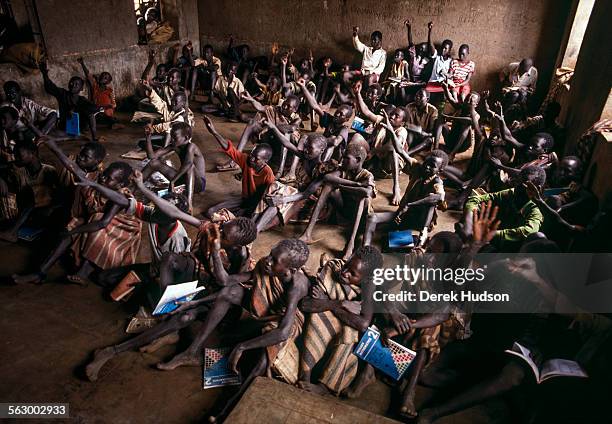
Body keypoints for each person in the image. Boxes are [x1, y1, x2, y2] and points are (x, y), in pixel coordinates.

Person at [12, 138, 106, 284]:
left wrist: (54, 148)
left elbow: (72, 169)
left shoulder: (97, 178)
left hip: (90, 219)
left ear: (97, 161)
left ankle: (40, 273)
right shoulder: (86, 171)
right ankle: (41, 269)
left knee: (65, 234)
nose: (80, 157)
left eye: (86, 156)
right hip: (76, 215)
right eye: (81, 153)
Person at [298, 246, 383, 395]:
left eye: (352, 274)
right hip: (333, 318)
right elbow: (307, 304)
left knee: (349, 332)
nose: (344, 272)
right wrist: (340, 304)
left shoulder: (369, 288)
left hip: (348, 333)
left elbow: (363, 324)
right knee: (316, 315)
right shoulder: (332, 268)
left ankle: (325, 386)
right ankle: (305, 373)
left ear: (366, 279)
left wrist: (326, 302)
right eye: (347, 266)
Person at [252, 121, 337, 233]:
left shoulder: (322, 170)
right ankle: (253, 225)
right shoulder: (306, 156)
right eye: (305, 146)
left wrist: (281, 199)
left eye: (310, 148)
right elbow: (286, 144)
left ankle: (255, 229)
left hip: (310, 202)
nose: (305, 150)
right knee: (275, 187)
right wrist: (273, 127)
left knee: (281, 196)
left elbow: (306, 194)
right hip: (296, 194)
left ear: (321, 151)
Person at [362, 143, 448, 248]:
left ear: (440, 170)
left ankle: (420, 239)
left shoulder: (437, 182)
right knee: (371, 218)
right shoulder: (418, 169)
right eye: (426, 162)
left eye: (432, 166)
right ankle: (365, 250)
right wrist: (391, 131)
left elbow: (439, 197)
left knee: (431, 202)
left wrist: (409, 205)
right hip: (404, 215)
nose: (427, 166)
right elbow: (400, 150)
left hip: (418, 222)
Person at [299, 143, 376, 260]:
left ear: (358, 160)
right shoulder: (345, 170)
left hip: (361, 218)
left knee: (362, 198)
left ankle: (351, 243)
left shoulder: (367, 175)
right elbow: (327, 178)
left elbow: (366, 192)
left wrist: (343, 186)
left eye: (346, 158)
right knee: (329, 187)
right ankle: (307, 233)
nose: (342, 160)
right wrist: (357, 184)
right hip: (344, 212)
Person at [459, 165, 546, 250]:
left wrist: (490, 234)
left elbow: (528, 231)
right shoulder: (512, 192)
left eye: (523, 186)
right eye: (517, 182)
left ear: (537, 189)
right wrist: (468, 224)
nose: (517, 188)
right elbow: (475, 199)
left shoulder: (536, 210)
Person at [203, 116, 275, 218]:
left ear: (265, 161)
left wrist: (247, 210)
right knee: (211, 212)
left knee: (243, 218)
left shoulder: (268, 174)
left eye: (256, 158)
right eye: (251, 155)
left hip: (258, 205)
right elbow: (230, 149)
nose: (252, 159)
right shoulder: (246, 160)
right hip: (244, 199)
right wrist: (214, 132)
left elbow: (266, 199)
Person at [0, 140, 59, 242]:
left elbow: (57, 195)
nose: (16, 158)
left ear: (33, 153)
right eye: (15, 155)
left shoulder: (48, 171)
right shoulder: (18, 168)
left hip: (43, 212)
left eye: (19, 155)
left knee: (37, 193)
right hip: (23, 214)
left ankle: (12, 232)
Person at [355, 92, 407, 205]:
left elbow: (391, 146)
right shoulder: (383, 120)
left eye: (396, 116)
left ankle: (396, 187)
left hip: (389, 167)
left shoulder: (402, 131)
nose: (392, 116)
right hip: (376, 161)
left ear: (402, 123)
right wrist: (358, 93)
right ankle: (350, 169)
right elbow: (366, 112)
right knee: (357, 137)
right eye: (392, 114)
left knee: (392, 150)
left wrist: (373, 151)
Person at [141, 121, 206, 208]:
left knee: (190, 166)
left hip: (198, 184)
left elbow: (188, 164)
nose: (172, 140)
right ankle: (135, 185)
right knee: (154, 163)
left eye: (175, 138)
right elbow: (151, 156)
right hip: (183, 180)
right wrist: (148, 137)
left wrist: (173, 181)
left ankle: (189, 203)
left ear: (186, 138)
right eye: (171, 137)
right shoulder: (174, 146)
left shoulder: (192, 147)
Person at [39, 60, 99, 141]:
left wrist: (75, 110)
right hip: (65, 126)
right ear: (68, 84)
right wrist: (45, 74)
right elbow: (50, 88)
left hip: (80, 127)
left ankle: (94, 137)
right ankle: (73, 136)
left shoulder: (82, 100)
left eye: (77, 84)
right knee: (50, 132)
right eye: (72, 83)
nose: (73, 86)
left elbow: (95, 108)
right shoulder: (62, 94)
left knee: (90, 114)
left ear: (81, 88)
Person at [77, 57, 121, 129]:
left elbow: (114, 105)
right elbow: (88, 75)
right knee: (91, 116)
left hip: (106, 112)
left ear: (108, 82)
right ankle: (110, 123)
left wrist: (106, 107)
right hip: (96, 110)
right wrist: (82, 64)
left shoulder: (110, 91)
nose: (103, 78)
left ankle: (112, 122)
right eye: (102, 76)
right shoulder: (95, 87)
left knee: (104, 117)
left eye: (105, 78)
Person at [424, 22, 452, 111]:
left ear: (449, 50)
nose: (443, 50)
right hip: (432, 83)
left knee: (441, 103)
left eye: (446, 48)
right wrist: (430, 30)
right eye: (443, 47)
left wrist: (446, 75)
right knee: (427, 103)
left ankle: (439, 117)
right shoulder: (437, 56)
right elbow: (430, 45)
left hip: (442, 85)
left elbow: (450, 75)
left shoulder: (451, 61)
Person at [404, 19, 432, 101]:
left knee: (419, 95)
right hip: (410, 80)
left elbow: (426, 75)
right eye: (420, 48)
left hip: (420, 83)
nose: (421, 50)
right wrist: (409, 28)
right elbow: (410, 42)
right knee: (405, 94)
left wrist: (430, 30)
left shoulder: (427, 60)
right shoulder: (414, 56)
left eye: (423, 49)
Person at [404, 88, 438, 154]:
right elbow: (405, 124)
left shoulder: (433, 110)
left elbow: (432, 132)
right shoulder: (409, 107)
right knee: (409, 135)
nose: (417, 97)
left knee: (429, 140)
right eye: (416, 96)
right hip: (412, 133)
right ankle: (406, 151)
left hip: (424, 136)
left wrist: (426, 134)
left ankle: (408, 153)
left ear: (427, 99)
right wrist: (418, 130)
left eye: (421, 96)